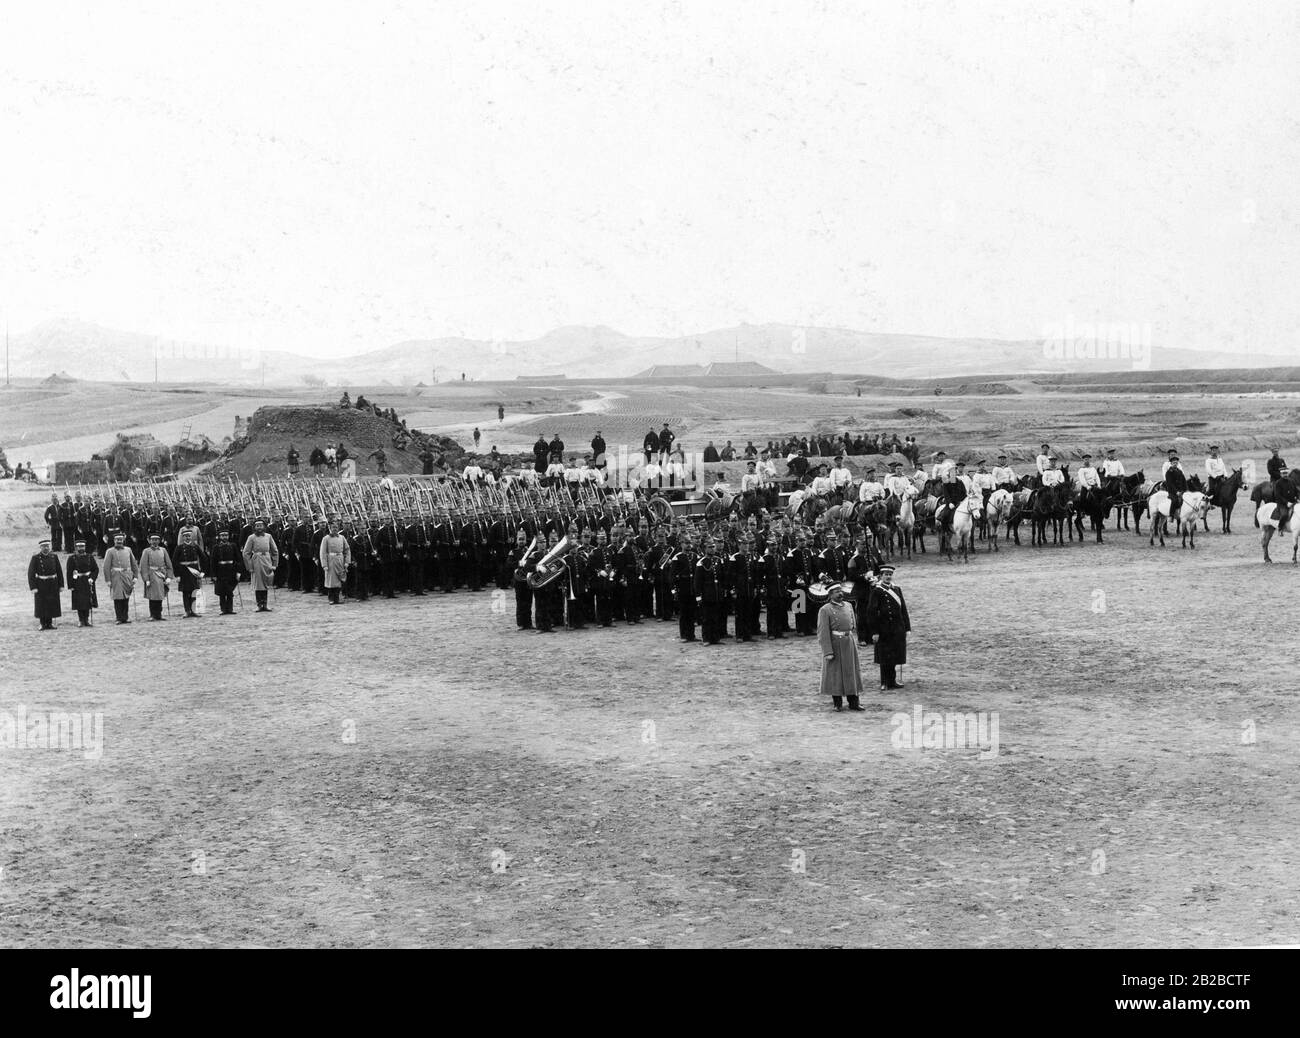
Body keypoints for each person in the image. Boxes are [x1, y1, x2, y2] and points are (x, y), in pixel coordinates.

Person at [818, 582, 863, 711]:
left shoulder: (848, 606)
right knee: (835, 674)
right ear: (830, 594)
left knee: (851, 672)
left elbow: (853, 623)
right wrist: (827, 651)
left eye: (840, 590)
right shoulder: (825, 610)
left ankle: (854, 701)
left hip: (848, 642)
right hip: (835, 644)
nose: (840, 593)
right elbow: (823, 632)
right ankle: (837, 703)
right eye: (837, 591)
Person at [866, 564, 910, 691]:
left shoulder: (897, 589)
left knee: (895, 655)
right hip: (883, 629)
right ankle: (884, 681)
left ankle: (892, 681)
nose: (888, 577)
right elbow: (871, 612)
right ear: (881, 576)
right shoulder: (876, 590)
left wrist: (907, 628)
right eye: (886, 575)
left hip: (897, 628)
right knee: (885, 656)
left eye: (890, 575)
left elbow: (903, 610)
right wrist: (874, 632)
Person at [242, 517, 280, 612]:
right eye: (257, 526)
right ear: (254, 527)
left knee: (266, 582)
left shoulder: (268, 536)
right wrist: (249, 566)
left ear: (264, 527)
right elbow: (246, 553)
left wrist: (274, 564)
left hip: (267, 560)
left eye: (261, 525)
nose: (259, 527)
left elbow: (275, 550)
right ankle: (259, 605)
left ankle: (265, 604)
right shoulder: (251, 538)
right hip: (257, 561)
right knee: (259, 584)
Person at [102, 532, 139, 624]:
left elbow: (134, 564)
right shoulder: (110, 551)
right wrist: (108, 580)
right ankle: (119, 617)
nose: (119, 541)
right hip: (116, 576)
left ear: (123, 540)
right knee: (118, 597)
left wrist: (135, 576)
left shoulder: (128, 550)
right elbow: (106, 567)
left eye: (120, 539)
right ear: (114, 541)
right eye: (117, 539)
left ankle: (125, 617)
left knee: (126, 596)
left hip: (127, 575)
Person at [28, 537, 65, 630]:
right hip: (41, 583)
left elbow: (59, 571)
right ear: (40, 547)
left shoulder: (54, 556)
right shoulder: (36, 558)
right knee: (42, 604)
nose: (46, 548)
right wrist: (33, 587)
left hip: (53, 583)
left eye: (47, 546)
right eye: (44, 546)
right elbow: (31, 573)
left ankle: (50, 623)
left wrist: (61, 585)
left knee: (52, 603)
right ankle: (42, 623)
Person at [173, 528, 207, 618]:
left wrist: (202, 572)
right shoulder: (179, 548)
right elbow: (175, 562)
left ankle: (194, 610)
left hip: (194, 571)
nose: (187, 538)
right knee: (185, 592)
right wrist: (177, 575)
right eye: (185, 536)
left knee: (194, 591)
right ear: (182, 537)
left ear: (191, 537)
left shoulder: (195, 546)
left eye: (189, 536)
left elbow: (204, 558)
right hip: (183, 572)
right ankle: (187, 611)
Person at [140, 532, 174, 621]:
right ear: (149, 541)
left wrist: (169, 577)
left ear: (159, 540)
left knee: (160, 595)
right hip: (152, 575)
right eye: (153, 540)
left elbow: (169, 565)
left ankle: (159, 614)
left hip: (162, 575)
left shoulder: (163, 550)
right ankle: (153, 614)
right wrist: (146, 579)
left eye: (156, 539)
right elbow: (143, 567)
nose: (155, 541)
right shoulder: (146, 551)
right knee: (153, 596)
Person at [66, 539, 99, 626]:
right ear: (76, 547)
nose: (81, 548)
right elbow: (69, 572)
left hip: (88, 581)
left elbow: (95, 569)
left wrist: (92, 578)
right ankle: (81, 619)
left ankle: (87, 620)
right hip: (77, 581)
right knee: (79, 601)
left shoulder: (89, 557)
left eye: (82, 546)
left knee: (88, 600)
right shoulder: (72, 558)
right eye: (79, 546)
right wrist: (71, 585)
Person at [319, 517, 352, 604]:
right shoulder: (326, 539)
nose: (335, 529)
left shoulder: (342, 538)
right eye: (333, 527)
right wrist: (324, 565)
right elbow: (323, 552)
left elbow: (347, 550)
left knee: (339, 580)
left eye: (336, 527)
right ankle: (331, 598)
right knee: (331, 580)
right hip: (330, 561)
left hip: (340, 560)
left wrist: (347, 562)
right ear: (329, 528)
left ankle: (337, 598)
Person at [211, 528, 242, 614]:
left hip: (231, 570)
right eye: (222, 535)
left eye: (226, 535)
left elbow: (238, 559)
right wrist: (213, 574)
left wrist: (238, 572)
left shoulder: (233, 545)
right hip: (220, 570)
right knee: (222, 591)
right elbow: (213, 561)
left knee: (229, 590)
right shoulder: (216, 547)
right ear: (219, 537)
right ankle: (223, 609)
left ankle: (230, 609)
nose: (224, 537)